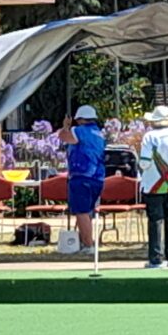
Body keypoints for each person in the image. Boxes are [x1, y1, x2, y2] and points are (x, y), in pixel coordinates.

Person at [138, 106, 168, 268]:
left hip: (154, 184)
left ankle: (155, 258)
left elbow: (144, 162)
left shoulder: (150, 137)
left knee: (155, 219)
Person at [58, 105, 106, 255]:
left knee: (81, 212)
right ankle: (86, 241)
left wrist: (65, 126)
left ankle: (88, 245)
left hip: (81, 176)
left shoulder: (78, 131)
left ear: (79, 119)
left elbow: (63, 137)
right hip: (97, 177)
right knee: (88, 211)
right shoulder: (99, 133)